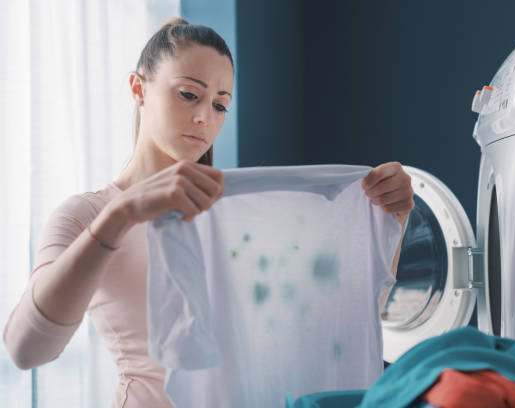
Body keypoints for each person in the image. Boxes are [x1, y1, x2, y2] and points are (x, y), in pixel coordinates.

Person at [3, 17, 415, 407]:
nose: (204, 117)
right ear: (138, 87)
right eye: (188, 94)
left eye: (220, 105)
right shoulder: (87, 213)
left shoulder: (240, 215)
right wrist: (122, 213)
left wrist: (390, 216)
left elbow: (339, 313)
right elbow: (26, 349)